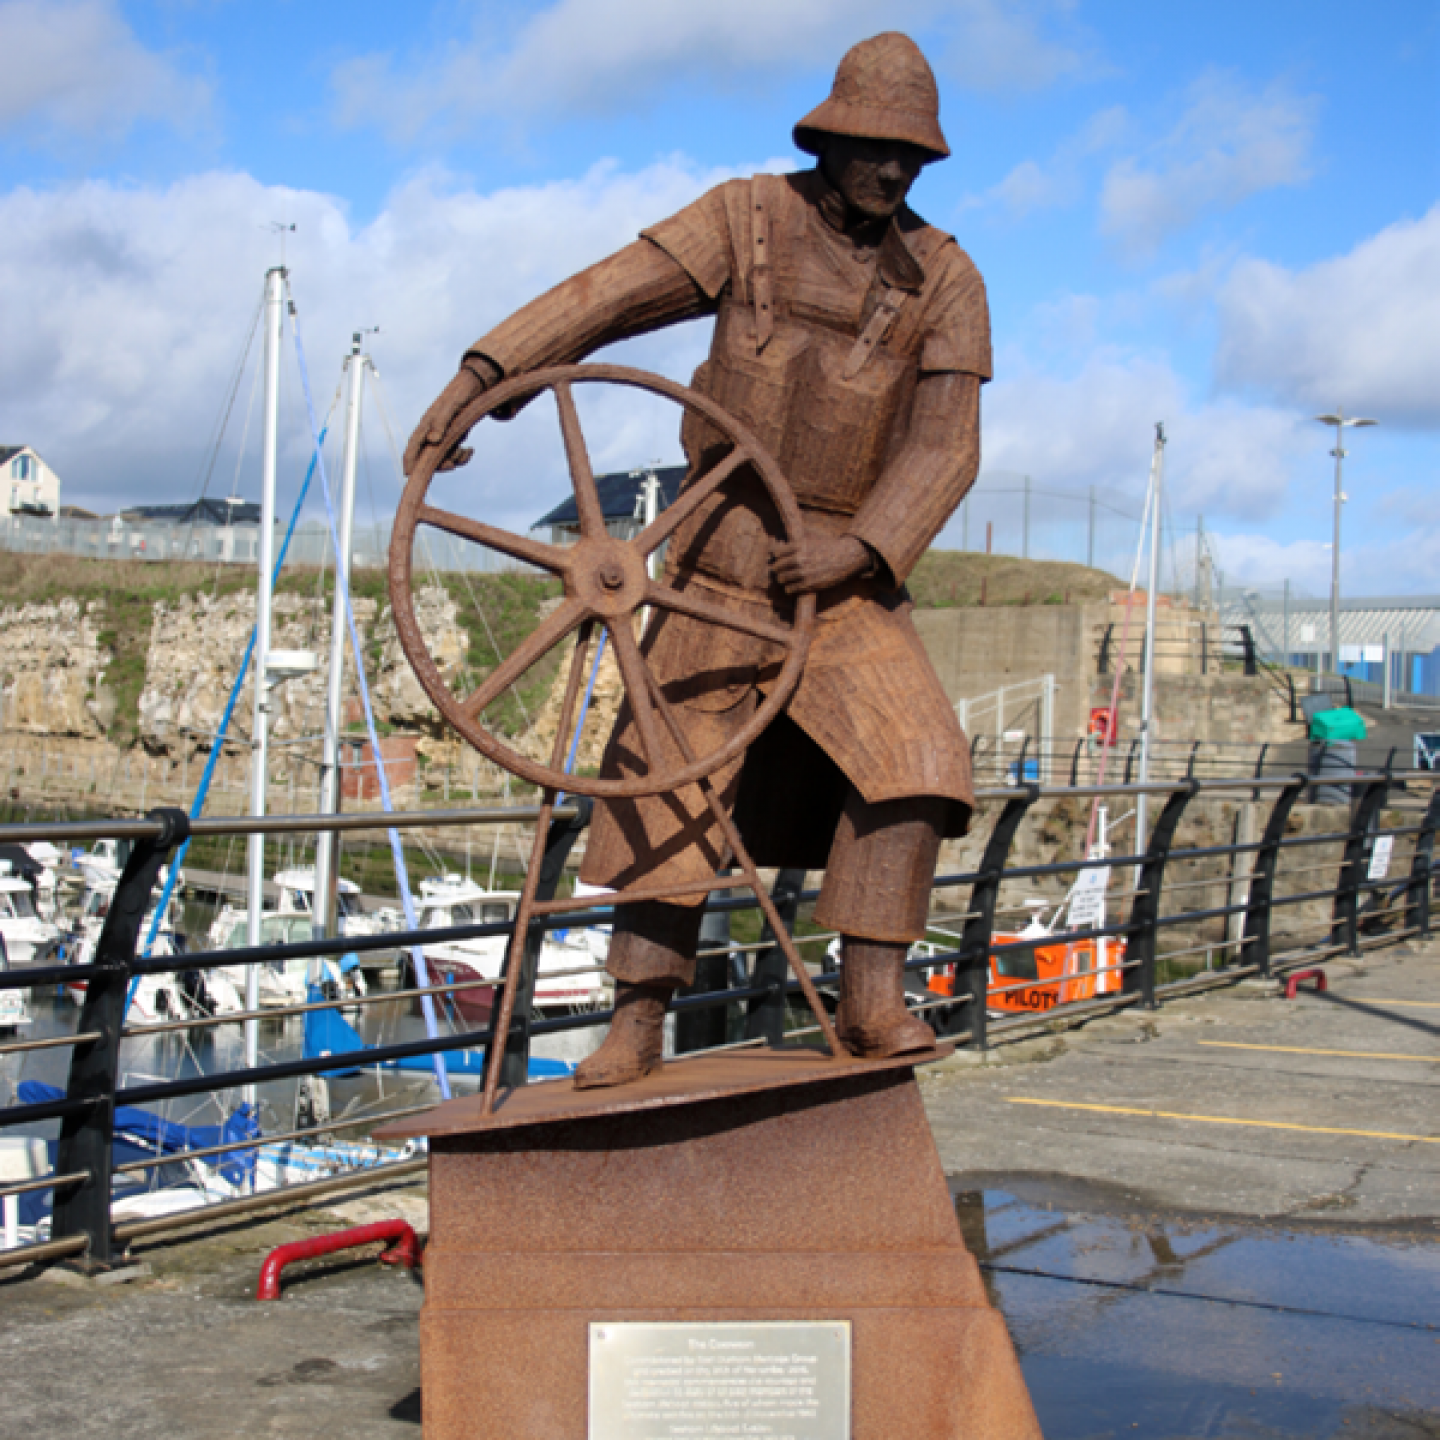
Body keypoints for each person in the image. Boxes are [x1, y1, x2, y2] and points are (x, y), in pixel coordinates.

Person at [405, 32, 991, 1088]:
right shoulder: (745, 220)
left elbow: (947, 446)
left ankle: (868, 998)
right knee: (662, 785)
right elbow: (605, 296)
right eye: (877, 148)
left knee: (919, 764)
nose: (894, 171)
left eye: (914, 157)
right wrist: (484, 372)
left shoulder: (945, 278)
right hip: (713, 577)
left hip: (847, 589)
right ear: (831, 134)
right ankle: (637, 1021)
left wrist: (858, 547)